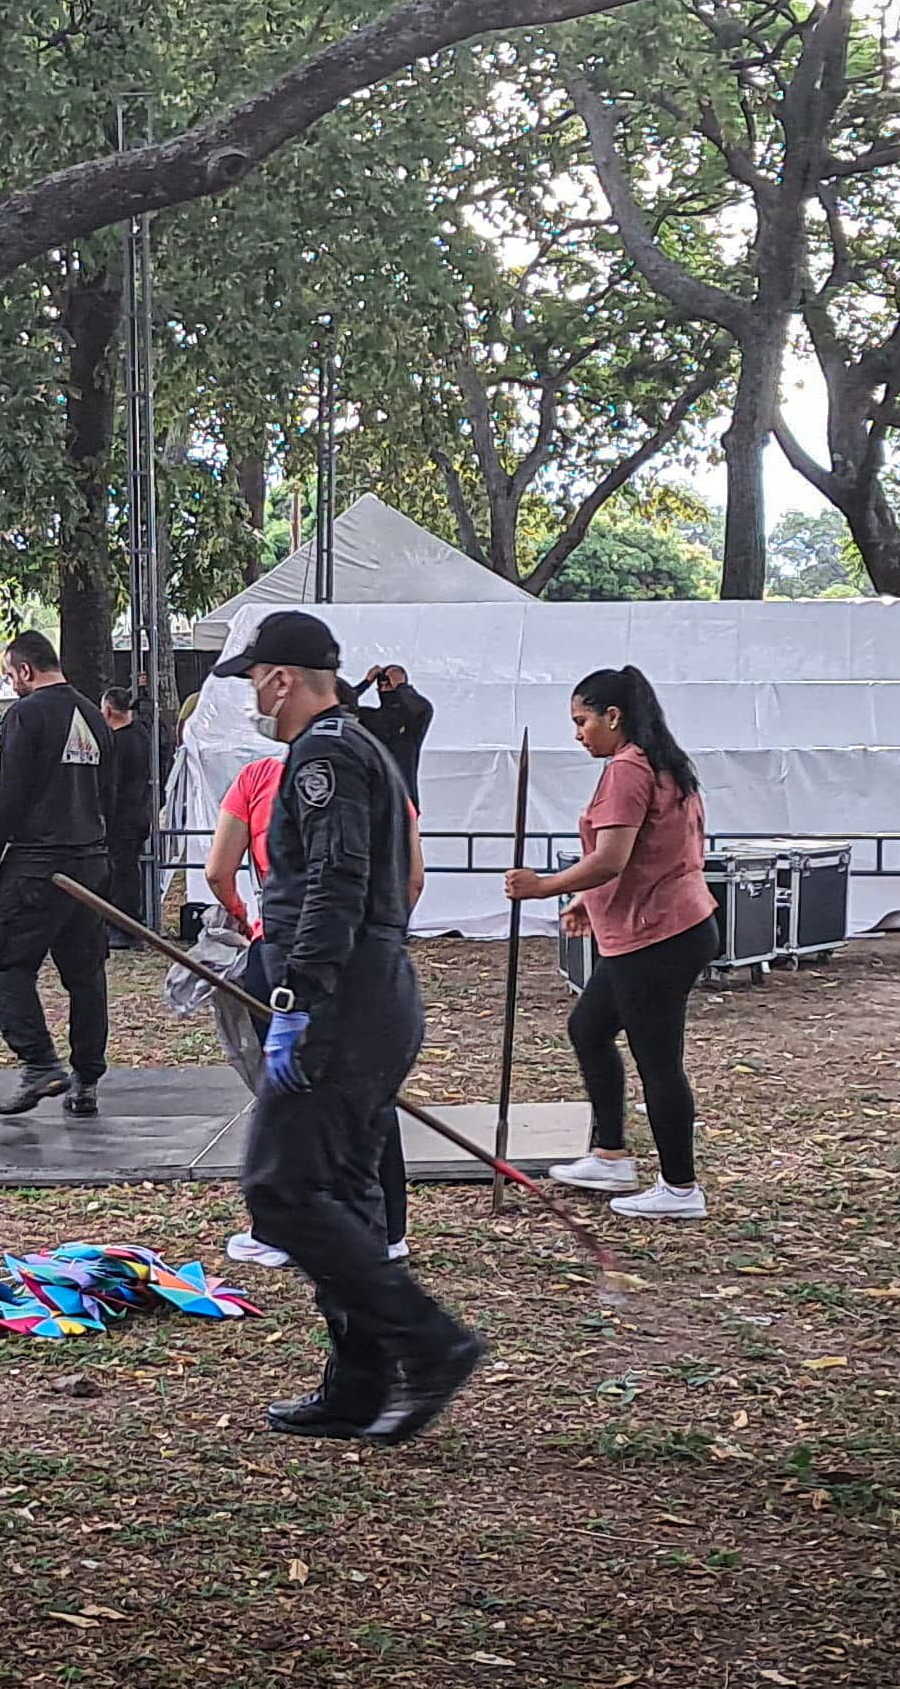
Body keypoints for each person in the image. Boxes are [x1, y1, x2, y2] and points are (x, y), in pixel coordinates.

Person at [220, 610, 481, 1442]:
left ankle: (430, 1344)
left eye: (254, 679)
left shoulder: (324, 753)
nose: (253, 696)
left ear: (281, 678)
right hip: (375, 991)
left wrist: (298, 997)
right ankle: (359, 1384)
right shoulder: (364, 745)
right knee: (344, 1190)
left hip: (342, 999)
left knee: (281, 1190)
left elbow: (333, 878)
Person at [507, 666, 721, 1224]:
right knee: (589, 1028)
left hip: (657, 936)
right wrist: (588, 901)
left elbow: (611, 858)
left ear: (613, 716)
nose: (578, 734)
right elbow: (657, 850)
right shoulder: (665, 763)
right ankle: (610, 1154)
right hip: (666, 923)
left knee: (659, 1061)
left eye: (581, 721)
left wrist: (542, 886)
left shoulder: (627, 768)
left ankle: (679, 1187)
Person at [209, 734, 420, 1274]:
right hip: (365, 963)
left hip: (290, 960)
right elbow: (412, 879)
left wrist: (247, 920)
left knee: (293, 1097)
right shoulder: (384, 775)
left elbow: (218, 870)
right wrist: (379, 934)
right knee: (368, 1096)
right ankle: (389, 1229)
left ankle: (283, 1230)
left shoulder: (261, 778)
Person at [0, 633, 115, 1116]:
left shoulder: (25, 716)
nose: (11, 684)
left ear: (25, 671)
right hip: (90, 861)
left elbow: (10, 795)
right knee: (86, 974)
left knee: (3, 961)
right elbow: (107, 792)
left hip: (36, 865)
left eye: (10, 676)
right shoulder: (95, 716)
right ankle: (87, 1078)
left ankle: (39, 1063)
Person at [100, 686, 161, 934]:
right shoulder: (141, 733)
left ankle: (124, 925)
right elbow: (146, 713)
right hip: (140, 812)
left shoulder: (118, 743)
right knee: (127, 870)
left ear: (107, 710)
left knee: (122, 872)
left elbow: (111, 785)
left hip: (122, 817)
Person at [354, 664, 435, 803]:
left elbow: (423, 708)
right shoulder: (369, 718)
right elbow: (337, 706)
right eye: (382, 685)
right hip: (373, 799)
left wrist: (401, 687)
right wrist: (365, 683)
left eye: (390, 685)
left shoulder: (412, 722)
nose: (386, 690)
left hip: (403, 798)